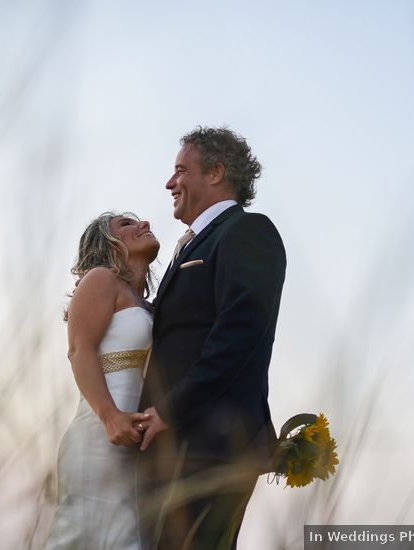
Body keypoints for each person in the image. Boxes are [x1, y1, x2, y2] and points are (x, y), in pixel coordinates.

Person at [135, 127, 287, 549]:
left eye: (181, 170)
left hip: (212, 444)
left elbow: (239, 334)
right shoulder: (188, 246)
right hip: (172, 446)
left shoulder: (247, 232)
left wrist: (171, 409)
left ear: (217, 172)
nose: (170, 183)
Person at [45, 212, 160, 550]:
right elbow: (79, 350)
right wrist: (110, 417)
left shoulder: (152, 306)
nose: (144, 224)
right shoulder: (100, 280)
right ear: (107, 245)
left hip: (137, 444)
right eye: (126, 224)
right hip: (99, 435)